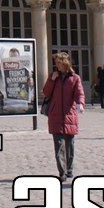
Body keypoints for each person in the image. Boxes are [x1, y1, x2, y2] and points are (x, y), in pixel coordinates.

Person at [42, 52, 85, 181]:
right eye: (56, 63)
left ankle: (69, 169)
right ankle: (62, 172)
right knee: (59, 145)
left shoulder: (75, 78)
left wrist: (80, 104)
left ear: (65, 63)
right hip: (55, 115)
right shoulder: (53, 76)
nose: (57, 65)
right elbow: (46, 92)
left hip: (69, 114)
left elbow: (79, 93)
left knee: (69, 144)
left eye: (59, 62)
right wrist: (51, 80)